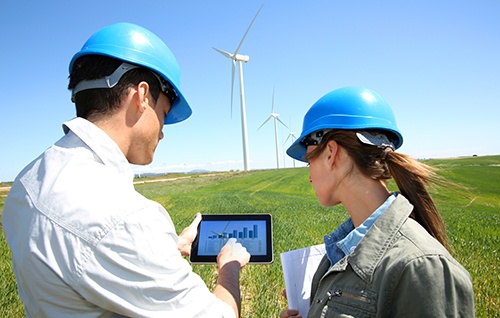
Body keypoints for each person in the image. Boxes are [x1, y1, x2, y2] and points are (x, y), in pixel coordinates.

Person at [2, 22, 250, 317]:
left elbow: (83, 264)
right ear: (141, 96)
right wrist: (229, 268)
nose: (162, 133)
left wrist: (167, 249)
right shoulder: (128, 218)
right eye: (164, 114)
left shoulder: (26, 182)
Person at [280, 86, 475, 317]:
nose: (309, 174)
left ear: (331, 153)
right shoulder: (339, 253)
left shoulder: (420, 267)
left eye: (308, 160)